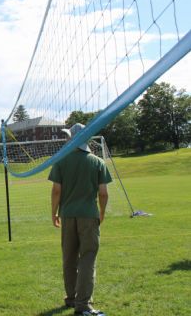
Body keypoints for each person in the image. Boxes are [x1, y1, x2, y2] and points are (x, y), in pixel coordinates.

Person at [49, 123, 112, 316]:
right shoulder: (97, 162)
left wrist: (54, 213)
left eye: (68, 136)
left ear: (74, 139)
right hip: (89, 216)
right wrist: (101, 212)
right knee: (87, 259)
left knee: (69, 258)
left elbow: (56, 190)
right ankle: (83, 303)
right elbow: (103, 194)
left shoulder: (60, 161)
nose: (65, 139)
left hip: (67, 215)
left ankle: (71, 299)